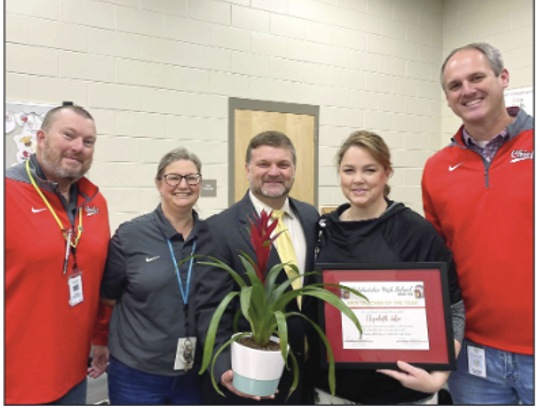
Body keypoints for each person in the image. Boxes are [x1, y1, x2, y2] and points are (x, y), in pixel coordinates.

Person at [314, 130, 465, 404]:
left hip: (401, 395)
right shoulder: (323, 230)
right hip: (331, 392)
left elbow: (454, 309)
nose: (358, 179)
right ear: (339, 174)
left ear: (387, 173)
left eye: (369, 170)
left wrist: (439, 376)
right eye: (349, 170)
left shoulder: (415, 232)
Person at [422, 42, 533, 404]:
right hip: (471, 357)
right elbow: (438, 264)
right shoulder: (436, 169)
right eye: (455, 86)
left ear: (503, 78)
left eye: (477, 77)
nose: (467, 90)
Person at [195, 131, 320, 404]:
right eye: (263, 164)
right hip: (250, 379)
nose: (274, 172)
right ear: (247, 169)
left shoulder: (311, 217)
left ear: (294, 170)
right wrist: (225, 367)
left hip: (306, 377)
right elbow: (210, 308)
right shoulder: (218, 229)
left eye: (283, 165)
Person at [6, 103, 111, 404]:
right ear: (40, 138)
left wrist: (100, 338)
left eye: (88, 141)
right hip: (15, 382)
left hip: (75, 375)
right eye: (68, 135)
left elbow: (100, 280)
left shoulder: (95, 202)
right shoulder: (8, 193)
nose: (78, 147)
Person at [98, 148, 211, 404]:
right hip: (136, 373)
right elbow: (108, 297)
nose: (183, 185)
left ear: (200, 183)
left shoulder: (212, 236)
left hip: (195, 372)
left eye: (191, 178)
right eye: (173, 177)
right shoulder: (130, 235)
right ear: (159, 183)